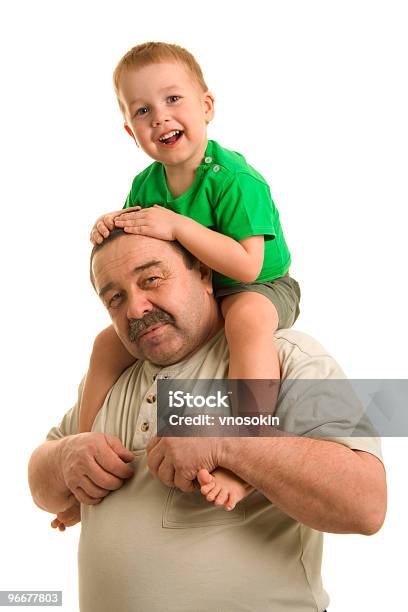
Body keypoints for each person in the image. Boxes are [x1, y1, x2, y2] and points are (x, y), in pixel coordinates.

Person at [28, 230, 386, 612]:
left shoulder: (286, 357)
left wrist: (227, 443)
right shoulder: (109, 380)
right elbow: (42, 488)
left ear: (203, 271)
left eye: (151, 279)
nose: (135, 308)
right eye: (115, 298)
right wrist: (63, 457)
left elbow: (366, 505)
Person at [78, 42, 301, 508]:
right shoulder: (147, 184)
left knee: (246, 321)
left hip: (256, 285)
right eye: (143, 110)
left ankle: (244, 453)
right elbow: (137, 247)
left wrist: (178, 225)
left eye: (173, 99)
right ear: (129, 130)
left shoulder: (235, 179)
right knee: (105, 345)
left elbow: (247, 264)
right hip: (194, 295)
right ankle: (83, 458)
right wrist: (110, 226)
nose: (160, 117)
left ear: (206, 106)